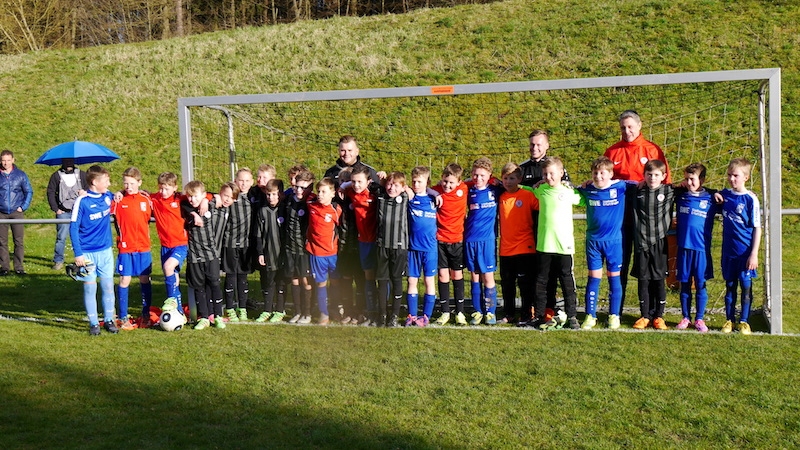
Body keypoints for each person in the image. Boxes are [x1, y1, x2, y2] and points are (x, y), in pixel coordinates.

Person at [604, 110, 671, 310]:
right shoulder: (612, 152)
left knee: (649, 265)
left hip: (647, 220)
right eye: (623, 127)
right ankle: (616, 310)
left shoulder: (652, 150)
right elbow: (602, 179)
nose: (627, 131)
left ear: (639, 126)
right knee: (620, 261)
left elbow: (666, 182)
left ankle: (652, 312)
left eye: (630, 127)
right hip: (620, 216)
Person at [519, 130, 569, 322]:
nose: (535, 148)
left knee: (551, 271)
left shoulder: (554, 168)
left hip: (550, 229)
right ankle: (530, 307)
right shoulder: (522, 168)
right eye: (532, 144)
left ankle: (549, 307)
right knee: (530, 271)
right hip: (527, 228)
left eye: (539, 144)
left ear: (547, 145)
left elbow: (568, 188)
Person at [576, 157, 630, 330]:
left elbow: (640, 183)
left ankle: (614, 315)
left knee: (614, 278)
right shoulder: (587, 189)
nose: (598, 176)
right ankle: (590, 316)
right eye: (595, 173)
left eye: (602, 173)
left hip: (614, 242)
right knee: (594, 278)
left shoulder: (620, 186)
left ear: (611, 174)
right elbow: (568, 188)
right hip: (593, 242)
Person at [530, 157, 581, 330]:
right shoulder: (540, 189)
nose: (548, 177)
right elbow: (523, 188)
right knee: (541, 281)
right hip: (544, 244)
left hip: (564, 245)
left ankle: (572, 315)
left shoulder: (568, 191)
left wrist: (579, 186)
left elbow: (584, 198)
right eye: (545, 174)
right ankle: (540, 315)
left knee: (566, 281)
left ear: (561, 173)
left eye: (552, 173)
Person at [69, 165, 118, 335]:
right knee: (90, 288)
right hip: (87, 253)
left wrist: (118, 194)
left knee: (108, 286)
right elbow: (73, 228)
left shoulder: (107, 196)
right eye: (106, 181)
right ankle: (94, 323)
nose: (109, 184)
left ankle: (109, 320)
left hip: (105, 251)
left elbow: (117, 196)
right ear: (95, 182)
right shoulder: (82, 202)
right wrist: (78, 254)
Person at [674, 163, 719, 333]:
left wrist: (717, 193)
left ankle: (699, 318)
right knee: (684, 284)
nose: (688, 182)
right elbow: (664, 189)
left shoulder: (711, 198)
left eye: (692, 179)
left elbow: (729, 198)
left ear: (702, 179)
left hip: (701, 249)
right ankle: (686, 317)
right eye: (686, 178)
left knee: (700, 283)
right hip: (684, 248)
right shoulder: (680, 195)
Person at [630, 160, 674, 330]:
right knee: (643, 280)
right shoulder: (636, 190)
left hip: (659, 243)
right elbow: (616, 184)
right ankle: (645, 316)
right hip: (641, 243)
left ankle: (659, 316)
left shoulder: (669, 190)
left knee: (658, 279)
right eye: (649, 174)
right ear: (644, 175)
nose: (652, 178)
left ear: (663, 176)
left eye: (656, 175)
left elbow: (694, 188)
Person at [719, 158, 761, 335]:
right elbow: (712, 194)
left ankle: (744, 321)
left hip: (745, 253)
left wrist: (754, 254)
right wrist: (715, 195)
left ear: (746, 177)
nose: (731, 179)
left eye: (735, 175)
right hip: (728, 252)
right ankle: (729, 320)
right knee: (730, 286)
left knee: (745, 286)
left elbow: (757, 228)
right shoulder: (725, 195)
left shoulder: (751, 199)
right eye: (729, 175)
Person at [110, 167, 153, 330]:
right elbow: (104, 200)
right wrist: (116, 193)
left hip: (143, 246)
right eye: (126, 183)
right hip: (126, 247)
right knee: (124, 280)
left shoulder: (146, 199)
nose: (128, 187)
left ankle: (146, 314)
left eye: (132, 183)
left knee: (144, 278)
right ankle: (123, 317)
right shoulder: (118, 200)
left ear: (139, 183)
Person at [497, 163, 538, 325]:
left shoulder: (528, 195)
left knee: (525, 284)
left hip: (525, 246)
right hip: (506, 248)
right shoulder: (500, 196)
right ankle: (509, 313)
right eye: (505, 178)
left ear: (520, 179)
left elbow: (544, 204)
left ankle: (527, 313)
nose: (508, 182)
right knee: (507, 284)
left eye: (512, 178)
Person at [182, 180, 225, 330]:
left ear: (202, 195)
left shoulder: (209, 205)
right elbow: (183, 203)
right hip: (194, 256)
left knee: (214, 284)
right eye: (190, 196)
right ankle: (204, 317)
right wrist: (194, 214)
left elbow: (218, 197)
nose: (192, 199)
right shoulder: (185, 209)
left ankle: (218, 316)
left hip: (211, 254)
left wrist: (208, 199)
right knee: (199, 287)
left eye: (195, 196)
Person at [342, 164, 381, 326]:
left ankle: (382, 312)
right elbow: (339, 187)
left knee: (383, 278)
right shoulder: (351, 192)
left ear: (368, 181)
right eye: (353, 181)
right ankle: (370, 312)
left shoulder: (375, 193)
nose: (356, 185)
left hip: (379, 242)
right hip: (364, 242)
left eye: (360, 182)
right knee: (368, 278)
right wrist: (344, 185)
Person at [464, 157, 501, 325]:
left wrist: (497, 181)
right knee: (474, 276)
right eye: (475, 174)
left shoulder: (496, 190)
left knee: (488, 276)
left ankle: (490, 312)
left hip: (487, 241)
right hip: (470, 239)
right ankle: (477, 311)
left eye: (482, 175)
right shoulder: (468, 191)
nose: (478, 178)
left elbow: (512, 184)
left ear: (489, 176)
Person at [432, 163, 469, 326]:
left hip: (457, 241)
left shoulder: (464, 189)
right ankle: (445, 311)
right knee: (442, 275)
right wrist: (434, 192)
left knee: (457, 275)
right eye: (445, 181)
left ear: (459, 182)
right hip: (440, 240)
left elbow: (479, 181)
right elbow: (422, 189)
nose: (447, 185)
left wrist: (494, 180)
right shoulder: (437, 190)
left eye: (451, 183)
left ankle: (460, 312)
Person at [375, 172, 409, 327]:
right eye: (389, 184)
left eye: (396, 185)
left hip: (399, 247)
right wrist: (382, 180)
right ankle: (382, 314)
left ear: (403, 187)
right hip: (382, 246)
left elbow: (421, 190)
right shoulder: (380, 195)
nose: (391, 188)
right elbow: (367, 183)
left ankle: (394, 315)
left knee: (396, 280)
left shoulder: (406, 198)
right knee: (382, 281)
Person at [305, 177, 342, 326]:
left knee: (335, 282)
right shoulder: (311, 205)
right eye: (318, 191)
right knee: (321, 283)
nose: (320, 194)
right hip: (316, 253)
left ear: (333, 193)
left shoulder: (336, 210)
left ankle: (335, 308)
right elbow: (302, 191)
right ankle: (323, 313)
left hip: (332, 254)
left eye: (324, 192)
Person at [406, 167, 439, 327]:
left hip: (430, 249)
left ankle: (426, 316)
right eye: (414, 181)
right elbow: (400, 185)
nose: (416, 184)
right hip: (413, 248)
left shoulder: (434, 199)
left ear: (427, 182)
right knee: (412, 280)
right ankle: (412, 315)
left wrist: (435, 193)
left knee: (429, 281)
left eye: (420, 181)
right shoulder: (409, 197)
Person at [220, 169, 254, 323]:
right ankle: (229, 308)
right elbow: (216, 197)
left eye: (247, 181)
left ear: (252, 182)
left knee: (243, 278)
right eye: (241, 180)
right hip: (230, 244)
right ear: (235, 181)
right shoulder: (231, 197)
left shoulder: (255, 197)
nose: (244, 184)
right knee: (230, 277)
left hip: (246, 245)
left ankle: (242, 308)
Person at [254, 179, 287, 323]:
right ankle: (267, 310)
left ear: (281, 194)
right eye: (268, 194)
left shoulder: (285, 210)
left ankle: (280, 310)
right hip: (269, 254)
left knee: (281, 282)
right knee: (269, 282)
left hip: (283, 254)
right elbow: (258, 235)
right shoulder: (262, 211)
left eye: (274, 194)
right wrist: (260, 253)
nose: (271, 198)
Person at [285, 170, 315, 324]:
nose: (299, 190)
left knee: (305, 280)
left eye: (303, 188)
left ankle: (307, 312)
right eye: (297, 186)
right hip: (290, 248)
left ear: (310, 188)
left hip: (304, 249)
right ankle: (297, 312)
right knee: (294, 279)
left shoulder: (312, 203)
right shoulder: (289, 200)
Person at [46, 158, 86, 271]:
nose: (68, 163)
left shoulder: (82, 175)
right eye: (66, 161)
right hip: (63, 212)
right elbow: (50, 192)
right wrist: (56, 209)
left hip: (80, 212)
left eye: (70, 161)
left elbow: (89, 189)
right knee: (61, 237)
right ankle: (58, 261)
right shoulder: (56, 176)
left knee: (82, 236)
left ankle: (84, 259)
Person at [0, 150, 33, 276]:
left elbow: (28, 191)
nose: (6, 163)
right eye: (3, 160)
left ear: (13, 160)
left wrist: (23, 207)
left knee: (18, 241)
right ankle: (4, 267)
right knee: (2, 241)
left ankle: (19, 267)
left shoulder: (20, 175)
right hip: (1, 213)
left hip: (16, 212)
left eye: (8, 160)